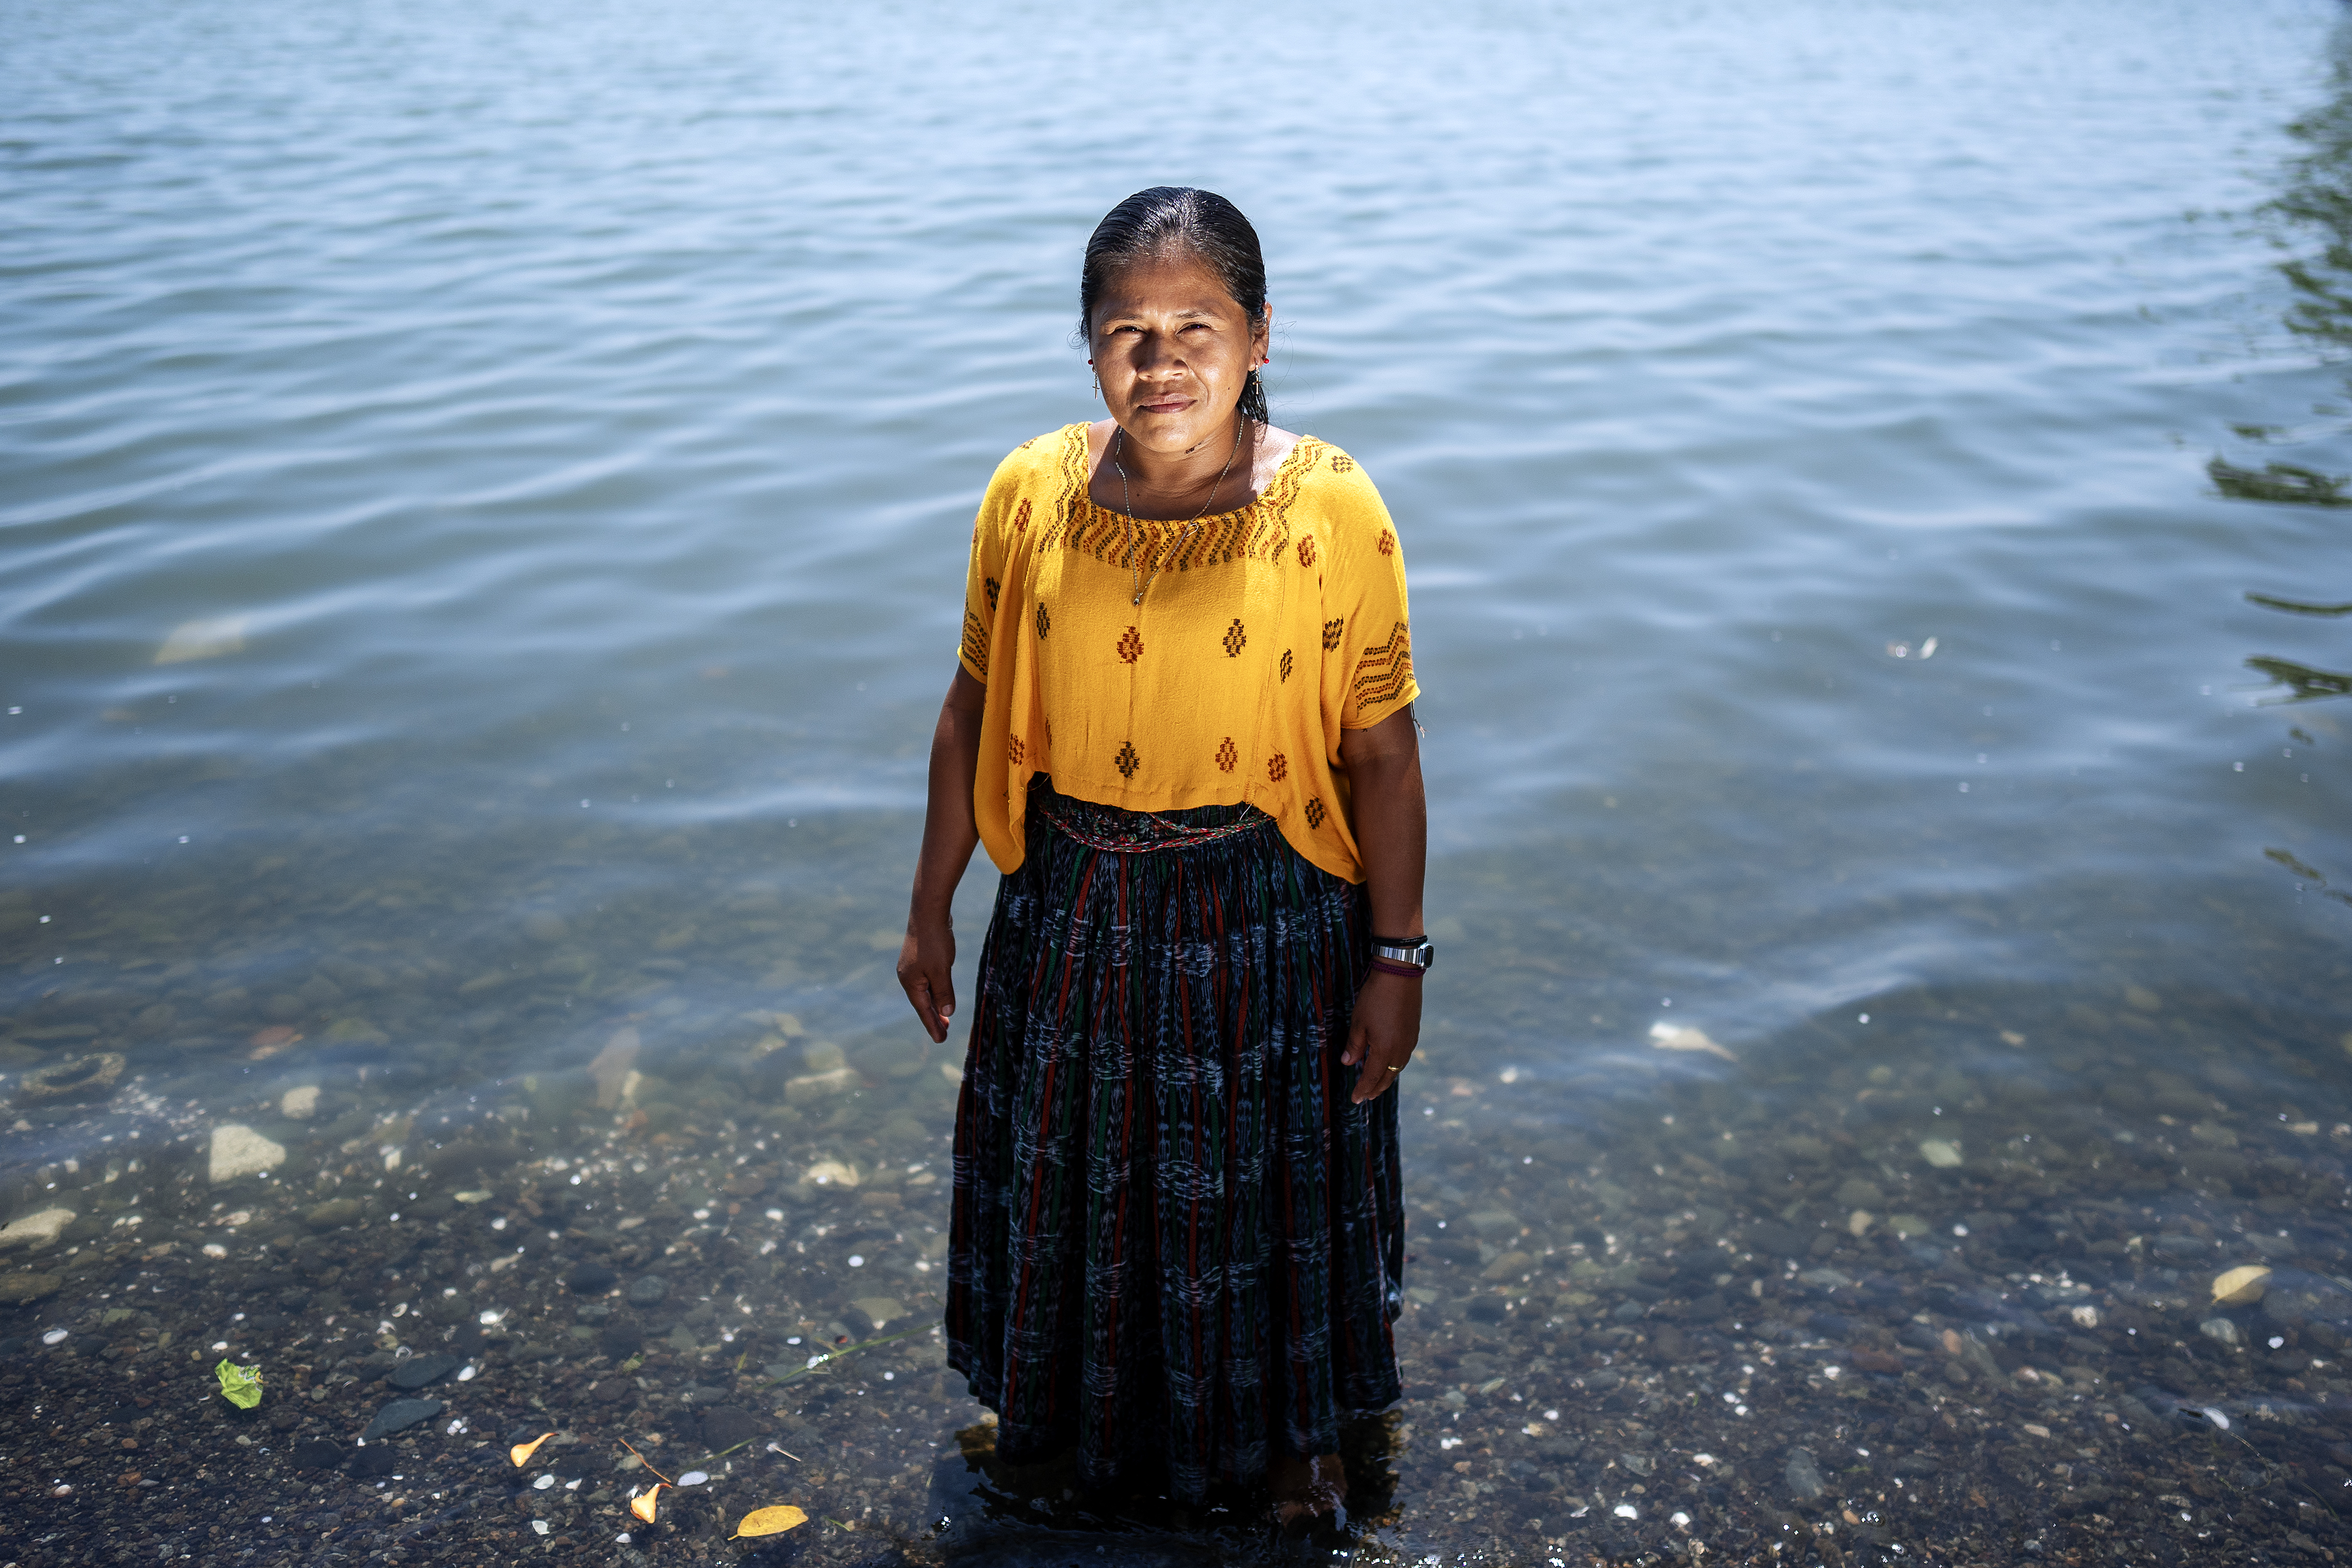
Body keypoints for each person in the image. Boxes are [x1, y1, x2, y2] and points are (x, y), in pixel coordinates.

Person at [895, 186, 1430, 1528]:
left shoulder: (1332, 507)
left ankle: (1298, 1441)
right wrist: (929, 914)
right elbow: (969, 712)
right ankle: (1071, 1423)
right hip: (1069, 899)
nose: (1162, 360)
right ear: (1087, 349)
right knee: (1080, 1177)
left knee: (1270, 1184)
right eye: (1126, 330)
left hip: (1266, 906)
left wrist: (1398, 960)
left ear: (1259, 340)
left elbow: (1383, 756)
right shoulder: (1028, 493)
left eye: (1199, 324)